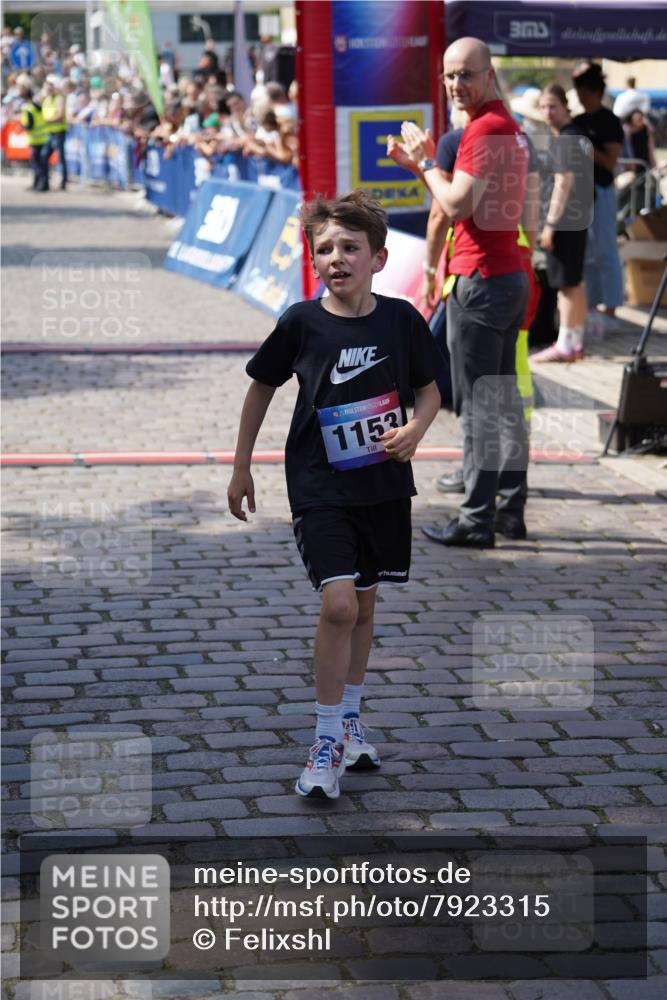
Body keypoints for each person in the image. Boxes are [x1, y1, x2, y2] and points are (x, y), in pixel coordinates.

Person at [227, 191, 442, 799]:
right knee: (340, 606)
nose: (337, 257)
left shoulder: (401, 319)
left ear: (379, 257)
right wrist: (241, 468)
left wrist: (416, 429)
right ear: (313, 260)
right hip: (319, 485)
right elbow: (259, 389)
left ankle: (350, 719)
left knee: (367, 607)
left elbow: (429, 392)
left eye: (351, 247)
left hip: (382, 485)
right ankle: (324, 738)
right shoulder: (301, 321)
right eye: (325, 249)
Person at [388, 36, 532, 547]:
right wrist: (424, 162)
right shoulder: (508, 129)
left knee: (479, 407)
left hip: (482, 280)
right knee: (504, 401)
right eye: (449, 75)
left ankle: (476, 520)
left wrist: (426, 167)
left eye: (466, 74)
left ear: (490, 75)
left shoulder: (485, 129)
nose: (456, 84)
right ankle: (509, 511)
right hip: (506, 276)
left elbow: (454, 205)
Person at [421, 119, 540, 495]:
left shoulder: (458, 140)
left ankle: (478, 501)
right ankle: (508, 493)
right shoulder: (519, 137)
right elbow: (532, 211)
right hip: (517, 272)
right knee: (511, 393)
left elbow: (445, 211)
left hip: (478, 276)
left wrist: (429, 270)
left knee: (476, 403)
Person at [532, 84, 593, 363]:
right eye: (543, 107)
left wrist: (550, 225)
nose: (547, 112)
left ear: (565, 107)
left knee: (566, 286)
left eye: (552, 106)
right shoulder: (578, 136)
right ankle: (575, 341)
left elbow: (563, 181)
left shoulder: (564, 140)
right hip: (577, 219)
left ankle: (565, 344)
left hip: (565, 221)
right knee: (575, 282)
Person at [572, 62, 624, 324]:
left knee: (606, 251)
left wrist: (586, 148)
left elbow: (610, 161)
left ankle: (612, 308)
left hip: (602, 191)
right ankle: (592, 306)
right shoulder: (577, 121)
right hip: (581, 193)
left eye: (582, 90)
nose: (579, 95)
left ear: (592, 92)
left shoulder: (610, 121)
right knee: (588, 254)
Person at [20, 84, 50, 192]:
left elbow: (30, 126)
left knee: (36, 164)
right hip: (43, 138)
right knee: (42, 163)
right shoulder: (40, 108)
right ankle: (40, 184)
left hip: (34, 140)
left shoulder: (29, 110)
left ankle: (41, 183)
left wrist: (22, 126)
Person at [42, 74, 68, 190]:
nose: (47, 88)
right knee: (44, 156)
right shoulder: (47, 99)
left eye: (49, 86)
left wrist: (49, 120)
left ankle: (63, 182)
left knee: (61, 158)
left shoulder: (59, 98)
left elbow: (60, 114)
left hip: (59, 132)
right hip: (49, 132)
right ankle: (45, 181)